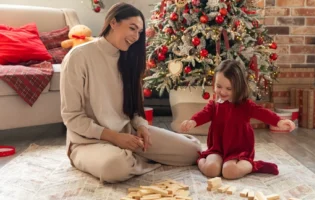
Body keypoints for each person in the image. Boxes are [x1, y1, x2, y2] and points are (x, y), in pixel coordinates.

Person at [60, 2, 201, 183]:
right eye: (132, 28)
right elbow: (72, 117)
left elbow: (134, 109)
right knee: (115, 167)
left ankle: (130, 157)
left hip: (129, 134)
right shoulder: (78, 57)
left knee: (193, 151)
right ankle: (126, 158)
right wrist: (115, 138)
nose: (136, 37)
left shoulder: (130, 58)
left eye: (139, 32)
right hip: (88, 142)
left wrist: (141, 126)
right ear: (113, 22)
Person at [180, 59, 295, 180]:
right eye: (219, 86)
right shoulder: (215, 104)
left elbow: (263, 113)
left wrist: (279, 121)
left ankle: (255, 165)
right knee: (211, 170)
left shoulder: (245, 105)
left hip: (239, 151)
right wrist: (192, 121)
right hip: (218, 149)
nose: (223, 92)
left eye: (229, 89)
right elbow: (204, 114)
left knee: (229, 172)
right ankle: (200, 160)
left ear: (238, 87)